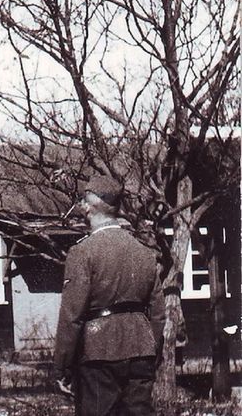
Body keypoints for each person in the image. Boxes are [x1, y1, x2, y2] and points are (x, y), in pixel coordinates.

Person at [53, 175, 165, 416]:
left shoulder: (82, 252)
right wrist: (151, 349)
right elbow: (158, 313)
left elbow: (72, 315)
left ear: (89, 208)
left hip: (97, 353)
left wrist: (62, 366)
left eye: (83, 203)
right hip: (141, 350)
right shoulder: (145, 253)